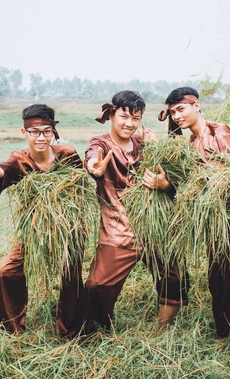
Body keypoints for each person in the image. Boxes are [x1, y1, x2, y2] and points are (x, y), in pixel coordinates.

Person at [156, 86, 230, 356]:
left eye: (181, 109)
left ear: (196, 105)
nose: (177, 116)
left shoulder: (219, 132)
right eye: (173, 112)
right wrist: (166, 185)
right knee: (217, 279)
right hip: (214, 223)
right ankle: (224, 332)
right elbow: (189, 189)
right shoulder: (191, 144)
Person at [0, 104, 85, 337]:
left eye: (46, 131)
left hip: (67, 231)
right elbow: (0, 170)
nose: (41, 137)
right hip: (32, 231)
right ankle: (13, 331)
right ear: (25, 133)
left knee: (71, 276)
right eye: (34, 132)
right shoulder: (19, 160)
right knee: (8, 271)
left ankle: (68, 331)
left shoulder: (68, 155)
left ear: (53, 131)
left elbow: (82, 191)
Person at [82, 90, 190, 334]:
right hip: (118, 229)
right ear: (111, 114)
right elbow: (92, 159)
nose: (129, 124)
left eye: (136, 118)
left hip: (154, 227)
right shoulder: (100, 143)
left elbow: (170, 176)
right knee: (98, 284)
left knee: (174, 276)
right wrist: (95, 167)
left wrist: (155, 152)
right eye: (124, 116)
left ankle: (162, 332)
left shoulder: (143, 144)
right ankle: (96, 332)